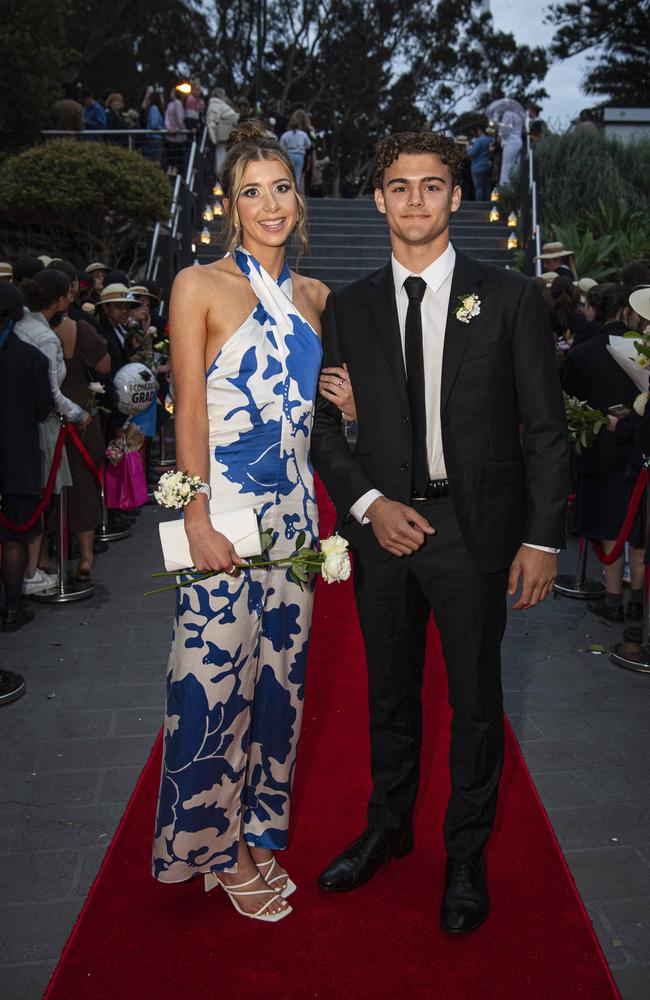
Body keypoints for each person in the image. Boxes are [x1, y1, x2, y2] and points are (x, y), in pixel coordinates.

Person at [311, 130, 569, 934]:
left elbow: (548, 430)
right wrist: (368, 506)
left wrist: (541, 540)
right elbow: (323, 431)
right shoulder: (347, 307)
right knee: (388, 696)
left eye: (431, 185)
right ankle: (388, 830)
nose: (415, 200)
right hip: (382, 527)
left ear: (457, 197)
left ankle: (465, 854)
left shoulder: (511, 297)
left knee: (475, 700)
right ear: (380, 198)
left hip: (473, 529)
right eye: (399, 186)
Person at [151, 120, 354, 922]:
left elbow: (325, 410)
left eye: (280, 188)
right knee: (211, 683)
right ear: (231, 207)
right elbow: (189, 415)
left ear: (296, 198)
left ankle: (254, 830)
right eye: (252, 192)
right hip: (223, 519)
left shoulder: (316, 297)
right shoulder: (198, 285)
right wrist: (195, 515)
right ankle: (216, 847)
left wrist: (352, 399)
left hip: (296, 523)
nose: (270, 204)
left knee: (281, 686)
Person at [562, 283, 645, 624]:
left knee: (610, 525)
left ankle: (613, 597)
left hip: (599, 450)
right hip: (638, 453)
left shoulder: (582, 352)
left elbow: (566, 401)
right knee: (639, 528)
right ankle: (638, 601)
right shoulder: (639, 348)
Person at [14, 270, 91, 592]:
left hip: (21, 418)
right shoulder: (44, 337)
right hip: (43, 423)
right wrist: (79, 412)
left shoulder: (22, 326)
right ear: (60, 300)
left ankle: (35, 564)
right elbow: (50, 391)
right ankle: (30, 570)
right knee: (41, 495)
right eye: (69, 296)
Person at [0, 284, 54, 632]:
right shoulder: (30, 358)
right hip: (16, 457)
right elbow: (43, 408)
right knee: (15, 536)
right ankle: (12, 606)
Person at [50, 306, 111, 582]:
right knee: (84, 481)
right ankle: (86, 556)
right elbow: (104, 365)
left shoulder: (27, 329)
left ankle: (43, 557)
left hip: (45, 409)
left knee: (48, 482)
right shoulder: (79, 329)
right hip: (79, 405)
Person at [206, 87, 239, 175]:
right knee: (221, 159)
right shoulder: (216, 105)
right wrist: (214, 139)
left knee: (224, 158)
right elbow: (211, 122)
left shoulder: (217, 104)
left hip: (225, 137)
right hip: (222, 138)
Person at [280, 111, 312, 191]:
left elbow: (281, 146)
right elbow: (309, 145)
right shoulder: (303, 134)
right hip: (300, 155)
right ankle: (296, 192)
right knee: (297, 175)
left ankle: (288, 190)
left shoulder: (285, 135)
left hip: (289, 154)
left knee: (288, 174)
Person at [497, 109, 524, 186]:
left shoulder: (508, 114)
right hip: (518, 141)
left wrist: (499, 129)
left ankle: (505, 186)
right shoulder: (519, 115)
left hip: (510, 142)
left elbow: (504, 131)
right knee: (515, 166)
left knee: (506, 166)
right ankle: (514, 184)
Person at [164, 88, 187, 175]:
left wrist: (176, 128)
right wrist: (170, 128)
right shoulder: (171, 104)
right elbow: (169, 117)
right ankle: (171, 170)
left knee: (174, 153)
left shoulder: (177, 103)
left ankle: (173, 170)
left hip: (176, 133)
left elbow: (179, 117)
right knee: (173, 153)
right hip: (174, 133)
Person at [467, 126, 493, 201]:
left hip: (478, 166)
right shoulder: (490, 139)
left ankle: (480, 205)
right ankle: (487, 205)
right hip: (488, 165)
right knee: (487, 187)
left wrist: (468, 148)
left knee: (479, 188)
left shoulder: (479, 140)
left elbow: (472, 153)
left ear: (480, 130)